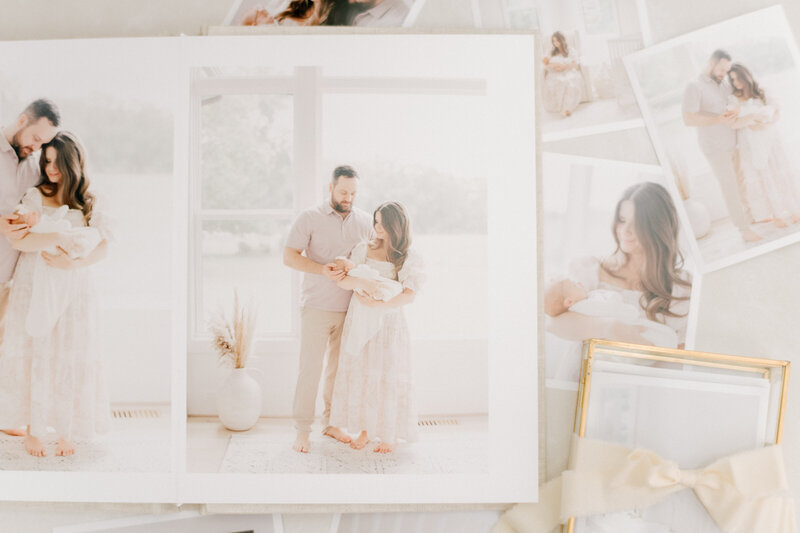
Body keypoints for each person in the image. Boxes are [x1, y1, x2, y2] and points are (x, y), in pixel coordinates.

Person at [0, 131, 112, 457]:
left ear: (72, 163)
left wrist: (72, 263)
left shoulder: (90, 200)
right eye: (46, 161)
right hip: (33, 283)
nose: (50, 169)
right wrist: (51, 240)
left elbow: (104, 247)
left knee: (70, 352)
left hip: (75, 287)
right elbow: (19, 242)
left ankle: (67, 429)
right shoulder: (35, 197)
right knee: (34, 349)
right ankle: (34, 429)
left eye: (56, 162)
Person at [545, 182, 692, 380]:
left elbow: (680, 353)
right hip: (581, 379)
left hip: (637, 390)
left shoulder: (681, 288)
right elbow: (552, 322)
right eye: (622, 220)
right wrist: (610, 327)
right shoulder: (590, 271)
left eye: (637, 223)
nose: (625, 230)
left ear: (659, 227)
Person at [283, 165, 374, 453]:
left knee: (339, 371)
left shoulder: (365, 221)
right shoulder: (310, 217)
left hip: (352, 310)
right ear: (331, 188)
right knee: (309, 370)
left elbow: (372, 261)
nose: (348, 197)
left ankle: (332, 423)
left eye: (354, 193)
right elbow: (289, 257)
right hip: (316, 307)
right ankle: (301, 431)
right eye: (344, 191)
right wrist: (323, 270)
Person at [329, 201, 424, 453]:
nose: (377, 228)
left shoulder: (408, 256)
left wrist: (381, 303)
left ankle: (389, 434)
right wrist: (367, 285)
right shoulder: (363, 249)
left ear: (397, 226)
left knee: (387, 375)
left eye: (382, 224)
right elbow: (344, 282)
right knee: (363, 372)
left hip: (389, 322)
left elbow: (409, 295)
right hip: (360, 317)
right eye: (375, 222)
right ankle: (365, 430)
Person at [0, 99, 60, 437]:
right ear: (22, 119)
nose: (36, 147)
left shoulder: (33, 165)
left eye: (42, 143)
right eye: (35, 138)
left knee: (6, 343)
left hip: (10, 273)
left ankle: (5, 415)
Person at [682, 50, 762, 242]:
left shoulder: (726, 83)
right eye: (721, 68)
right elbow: (688, 119)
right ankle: (743, 229)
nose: (724, 73)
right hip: (714, 147)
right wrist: (717, 119)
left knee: (741, 183)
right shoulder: (694, 86)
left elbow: (737, 103)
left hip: (734, 143)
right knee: (730, 187)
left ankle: (750, 216)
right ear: (711, 63)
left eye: (727, 70)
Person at [726, 63, 800, 228]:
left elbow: (776, 110)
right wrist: (751, 117)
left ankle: (793, 209)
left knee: (781, 175)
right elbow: (733, 124)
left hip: (771, 139)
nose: (736, 82)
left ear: (746, 76)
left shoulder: (762, 92)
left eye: (738, 78)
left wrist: (765, 124)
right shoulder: (733, 99)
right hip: (750, 144)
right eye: (732, 80)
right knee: (763, 179)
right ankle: (776, 215)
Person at [542, 31, 583, 117]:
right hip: (555, 72)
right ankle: (562, 107)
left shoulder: (570, 50)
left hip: (568, 71)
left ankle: (567, 109)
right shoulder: (551, 52)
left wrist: (564, 67)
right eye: (554, 41)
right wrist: (556, 65)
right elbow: (545, 63)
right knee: (558, 81)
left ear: (563, 40)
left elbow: (574, 63)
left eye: (557, 41)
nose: (556, 43)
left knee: (569, 82)